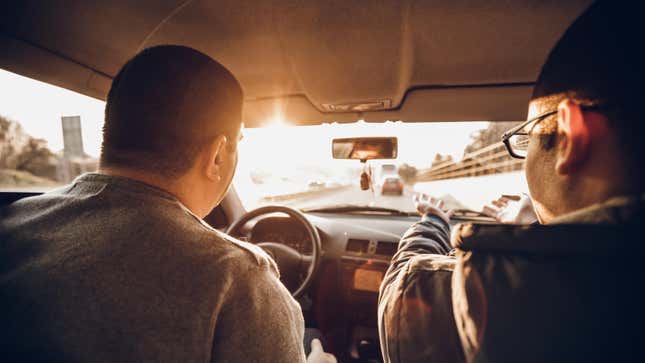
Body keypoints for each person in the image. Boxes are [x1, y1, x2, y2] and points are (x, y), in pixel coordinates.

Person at [1, 45, 335, 363]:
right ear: (218, 155)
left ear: (111, 133)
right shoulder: (238, 279)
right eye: (238, 143)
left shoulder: (14, 223)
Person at [378, 1, 644, 362]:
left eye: (528, 136)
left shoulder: (487, 297)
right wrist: (533, 235)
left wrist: (433, 223)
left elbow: (403, 287)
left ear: (570, 136)